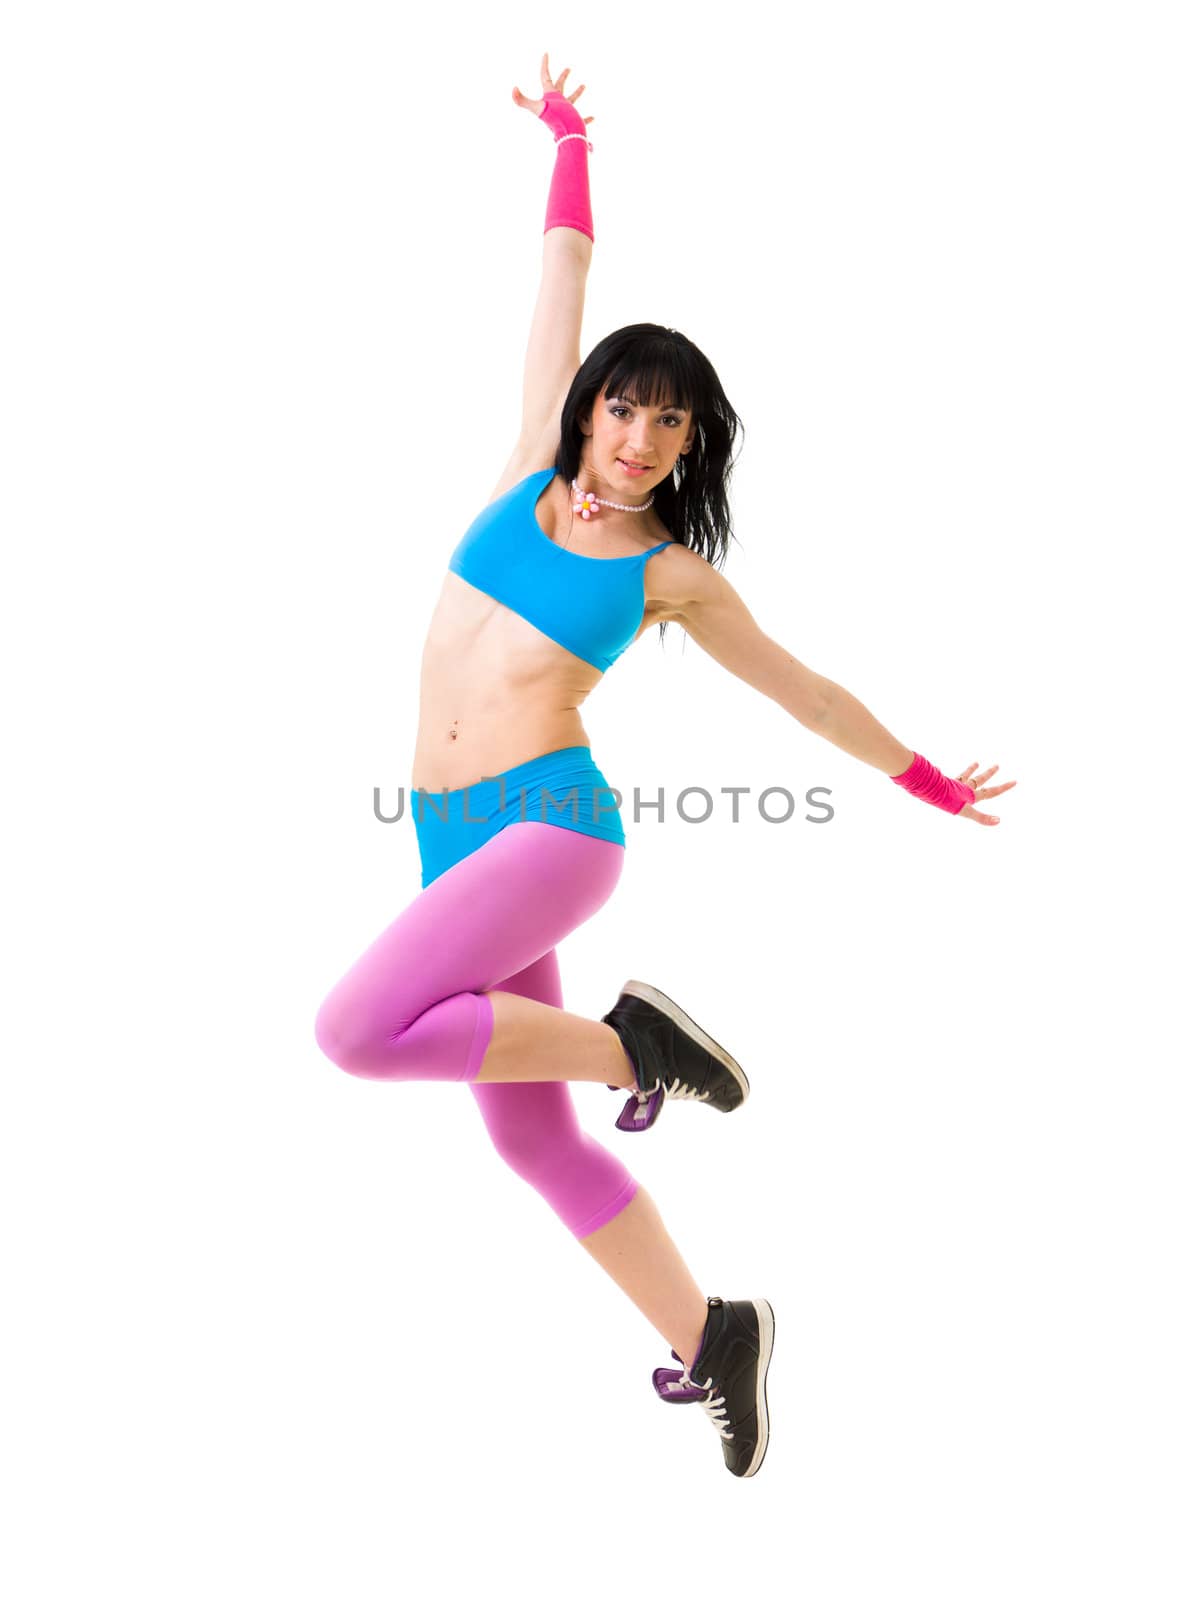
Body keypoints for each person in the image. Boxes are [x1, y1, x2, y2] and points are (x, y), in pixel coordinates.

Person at [312, 53, 1016, 1481]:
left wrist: (923, 778)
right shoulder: (522, 466)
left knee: (354, 1033)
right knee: (534, 1147)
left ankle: (647, 1046)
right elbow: (564, 264)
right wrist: (570, 142)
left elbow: (807, 694)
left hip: (551, 831)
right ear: (589, 410)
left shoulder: (672, 576)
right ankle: (716, 1334)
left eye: (669, 424)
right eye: (622, 408)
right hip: (449, 840)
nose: (637, 439)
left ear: (694, 449)